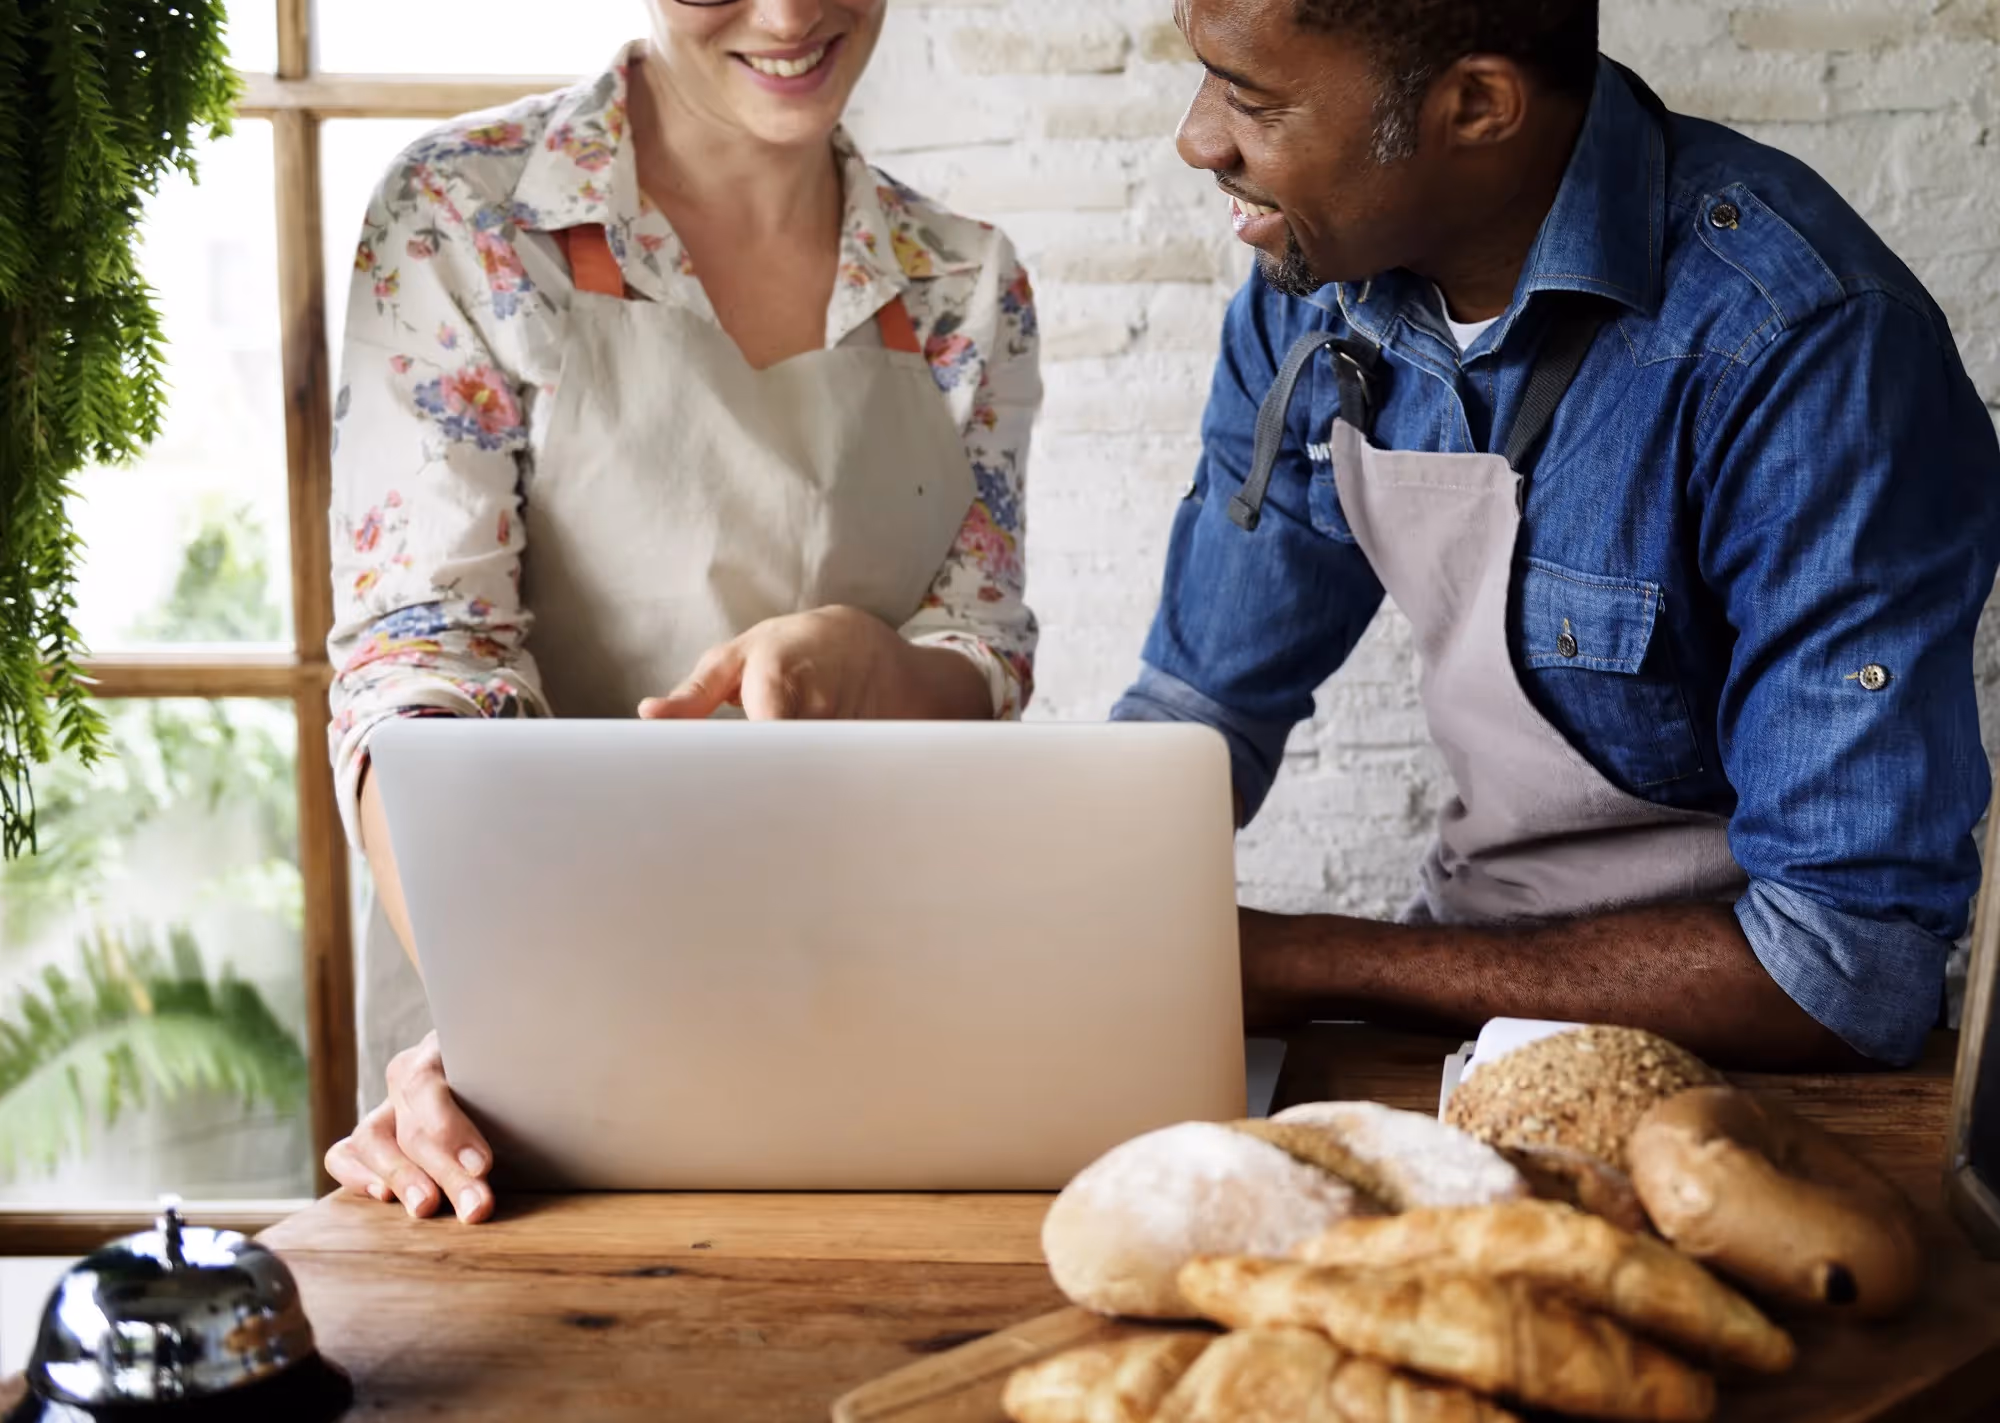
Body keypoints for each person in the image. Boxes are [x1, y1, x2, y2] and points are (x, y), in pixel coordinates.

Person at [1114, 0, 2000, 1071]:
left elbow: (1841, 969)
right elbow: (1202, 705)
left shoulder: (1802, 346)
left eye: (1251, 98)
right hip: (1453, 989)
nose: (1196, 139)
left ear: (1476, 105)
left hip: (1739, 1055)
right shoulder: (1312, 296)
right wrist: (1054, 908)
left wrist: (1297, 962)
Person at [322, 0, 1041, 1222]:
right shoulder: (464, 218)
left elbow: (978, 643)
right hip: (519, 1049)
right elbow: (424, 662)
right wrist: (527, 1021)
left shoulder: (961, 283)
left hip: (867, 1010)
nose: (791, 12)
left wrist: (874, 668)